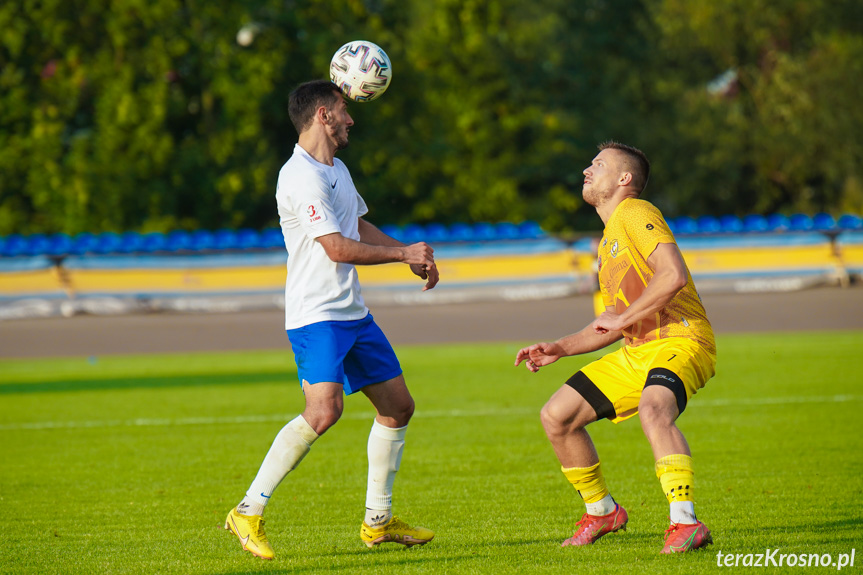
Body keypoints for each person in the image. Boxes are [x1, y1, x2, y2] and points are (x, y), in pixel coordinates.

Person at [225, 79, 439, 560]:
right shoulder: (300, 176)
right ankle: (248, 509)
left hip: (352, 314)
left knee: (398, 407)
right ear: (323, 114)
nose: (351, 118)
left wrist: (405, 255)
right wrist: (402, 251)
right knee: (324, 411)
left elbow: (355, 224)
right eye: (344, 109)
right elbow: (336, 247)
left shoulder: (336, 169)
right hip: (316, 315)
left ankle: (378, 522)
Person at [515, 141, 716, 554]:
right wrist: (561, 347)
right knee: (558, 416)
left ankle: (685, 523)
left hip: (680, 337)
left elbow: (673, 275)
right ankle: (602, 511)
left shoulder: (636, 212)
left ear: (624, 179)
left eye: (599, 164)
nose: (587, 170)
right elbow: (611, 322)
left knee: (653, 408)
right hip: (637, 350)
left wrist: (623, 321)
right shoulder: (609, 244)